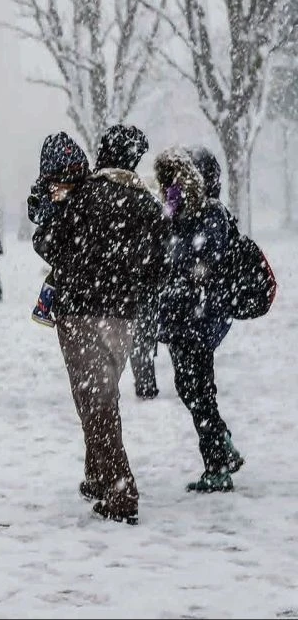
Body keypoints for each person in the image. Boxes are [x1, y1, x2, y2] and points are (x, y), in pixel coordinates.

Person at [33, 123, 167, 525]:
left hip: (80, 313)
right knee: (101, 397)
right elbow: (158, 263)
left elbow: (49, 243)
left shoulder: (84, 197)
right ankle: (97, 474)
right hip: (123, 316)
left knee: (96, 402)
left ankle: (120, 491)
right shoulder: (145, 202)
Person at [154, 146, 245, 492]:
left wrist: (180, 278)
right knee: (190, 388)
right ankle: (223, 446)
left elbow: (204, 264)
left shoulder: (211, 213)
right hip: (183, 318)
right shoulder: (179, 211)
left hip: (197, 318)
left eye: (181, 178)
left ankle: (217, 466)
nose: (174, 186)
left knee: (200, 391)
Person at [26, 132, 90, 328]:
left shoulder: (83, 204)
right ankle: (43, 306)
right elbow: (45, 242)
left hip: (79, 301)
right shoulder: (67, 203)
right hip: (75, 299)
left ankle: (44, 306)